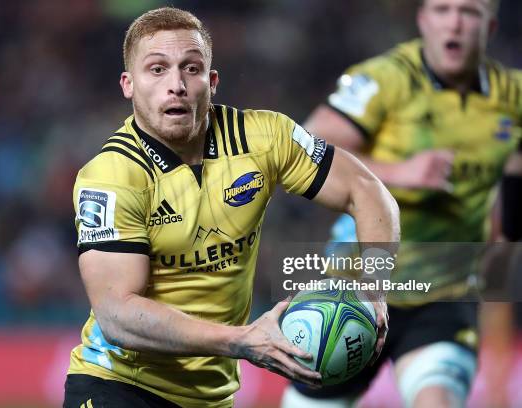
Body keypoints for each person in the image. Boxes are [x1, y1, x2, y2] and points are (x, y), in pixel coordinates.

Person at [63, 7, 399, 408]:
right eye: (157, 69)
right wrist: (241, 341)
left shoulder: (265, 137)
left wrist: (374, 288)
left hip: (213, 397)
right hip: (119, 385)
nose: (176, 85)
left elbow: (367, 190)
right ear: (128, 85)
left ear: (212, 81)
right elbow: (117, 314)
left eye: (191, 68)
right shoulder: (112, 176)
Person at [283, 0, 522, 407]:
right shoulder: (385, 80)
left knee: (438, 400)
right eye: (443, 9)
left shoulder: (513, 96)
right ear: (423, 19)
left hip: (444, 296)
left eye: (469, 12)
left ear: (491, 25)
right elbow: (305, 147)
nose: (455, 23)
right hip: (354, 291)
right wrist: (398, 172)